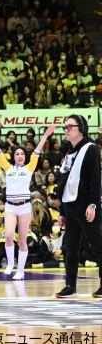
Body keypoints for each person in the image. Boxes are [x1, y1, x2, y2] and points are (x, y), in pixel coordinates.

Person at [0, 123, 54, 280]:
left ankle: (21, 270)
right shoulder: (8, 168)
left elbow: (37, 151)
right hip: (10, 207)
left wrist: (45, 136)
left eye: (22, 154)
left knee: (22, 239)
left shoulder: (29, 168)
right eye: (17, 154)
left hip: (24, 207)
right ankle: (11, 263)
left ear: (25, 156)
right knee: (9, 235)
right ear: (13, 156)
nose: (19, 156)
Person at [56, 115, 102, 298]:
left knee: (98, 246)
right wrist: (61, 211)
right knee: (71, 249)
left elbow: (95, 180)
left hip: (86, 207)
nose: (66, 129)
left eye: (70, 126)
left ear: (81, 128)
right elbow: (65, 183)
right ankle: (70, 286)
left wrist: (93, 204)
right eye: (65, 126)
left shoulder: (91, 149)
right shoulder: (69, 151)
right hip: (70, 207)